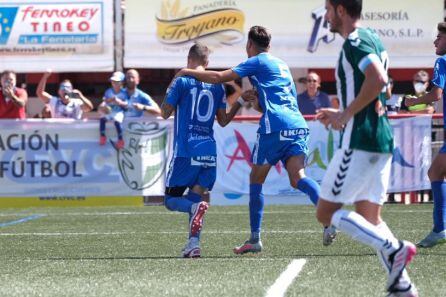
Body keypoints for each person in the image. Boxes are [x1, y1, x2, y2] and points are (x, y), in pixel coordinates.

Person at [176, 26, 326, 254]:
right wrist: (251, 100)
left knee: (256, 179)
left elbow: (218, 77)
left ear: (249, 45)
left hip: (274, 126)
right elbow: (270, 101)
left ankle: (255, 238)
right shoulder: (282, 65)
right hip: (297, 125)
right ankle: (328, 218)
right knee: (298, 178)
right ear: (270, 45)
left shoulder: (256, 61)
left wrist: (187, 71)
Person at [315, 1, 417, 296]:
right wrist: (343, 112)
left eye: (328, 9)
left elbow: (378, 79)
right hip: (381, 139)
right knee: (370, 219)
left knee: (325, 213)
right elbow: (383, 89)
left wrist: (345, 115)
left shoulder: (354, 42)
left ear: (341, 10)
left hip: (360, 139)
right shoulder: (373, 37)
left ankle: (393, 247)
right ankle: (404, 287)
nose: (326, 16)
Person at [160, 43, 244, 258]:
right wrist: (240, 101)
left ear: (189, 59)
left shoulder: (183, 80)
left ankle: (192, 218)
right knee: (196, 198)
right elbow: (224, 121)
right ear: (207, 63)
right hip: (208, 151)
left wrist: (174, 81)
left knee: (172, 201)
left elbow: (164, 112)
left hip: (186, 150)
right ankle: (193, 244)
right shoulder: (217, 87)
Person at [405, 22, 446, 248]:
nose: (435, 41)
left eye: (439, 37)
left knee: (436, 171)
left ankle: (440, 228)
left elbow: (436, 94)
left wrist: (414, 101)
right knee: (435, 171)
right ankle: (439, 228)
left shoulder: (442, 61)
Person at [98, 71, 129, 149]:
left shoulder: (124, 93)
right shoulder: (108, 91)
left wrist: (119, 102)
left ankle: (120, 139)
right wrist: (107, 102)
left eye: (116, 81)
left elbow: (126, 104)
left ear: (121, 82)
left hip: (119, 111)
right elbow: (105, 101)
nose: (114, 83)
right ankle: (102, 136)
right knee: (102, 119)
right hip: (109, 110)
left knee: (117, 122)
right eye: (113, 81)